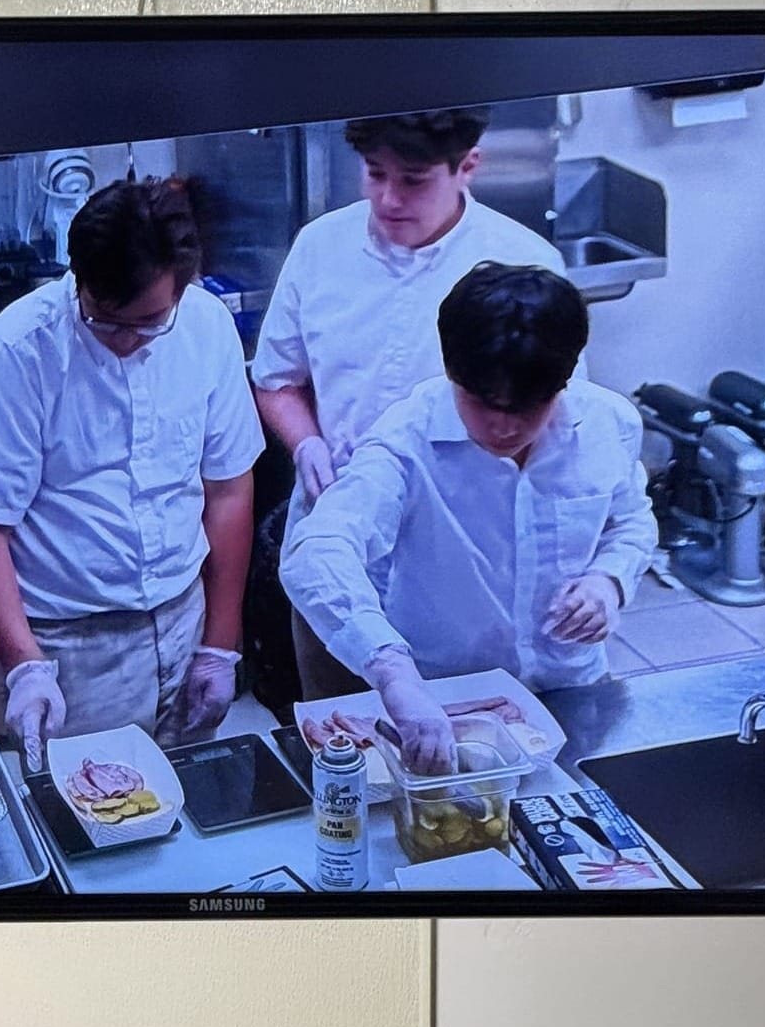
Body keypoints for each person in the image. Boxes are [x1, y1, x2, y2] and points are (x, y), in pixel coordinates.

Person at [0, 177, 263, 771]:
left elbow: (229, 489)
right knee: (80, 831)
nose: (127, 340)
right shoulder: (16, 352)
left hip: (183, 619)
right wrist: (25, 666)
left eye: (148, 322)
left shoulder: (207, 327)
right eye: (107, 321)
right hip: (65, 646)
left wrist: (220, 643)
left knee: (188, 821)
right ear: (79, 280)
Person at [281, 262, 655, 774]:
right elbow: (316, 552)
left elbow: (631, 520)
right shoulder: (407, 439)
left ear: (562, 382)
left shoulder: (609, 424)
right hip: (445, 704)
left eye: (526, 406)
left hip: (570, 690)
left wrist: (608, 580)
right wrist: (395, 674)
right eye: (481, 403)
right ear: (453, 374)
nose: (503, 424)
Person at [250, 108, 570, 698]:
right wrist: (307, 443)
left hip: (463, 568)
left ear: (467, 167)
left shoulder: (523, 264)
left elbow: (549, 421)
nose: (388, 198)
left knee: (464, 746)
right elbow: (277, 380)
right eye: (374, 174)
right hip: (338, 545)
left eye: (414, 179)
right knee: (343, 735)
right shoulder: (322, 246)